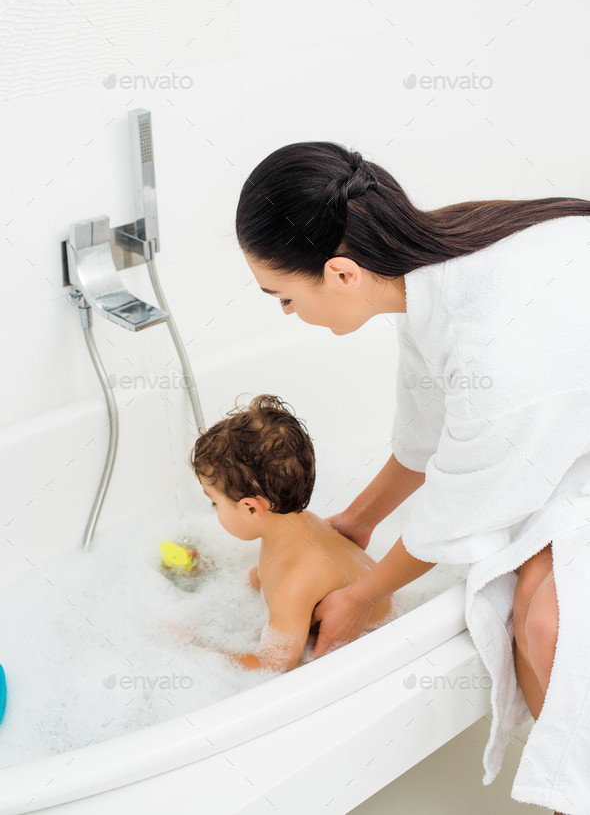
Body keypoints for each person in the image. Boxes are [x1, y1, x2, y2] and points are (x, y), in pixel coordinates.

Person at [234, 140, 590, 815]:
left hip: (563, 416)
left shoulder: (500, 355)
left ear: (341, 274)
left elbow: (460, 513)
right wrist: (359, 521)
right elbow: (429, 434)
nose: (288, 315)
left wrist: (363, 595)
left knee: (545, 622)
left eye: (283, 299)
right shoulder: (430, 266)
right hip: (570, 406)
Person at [187, 394, 393, 672]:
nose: (214, 509)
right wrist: (215, 572)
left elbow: (273, 664)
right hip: (375, 597)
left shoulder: (294, 584)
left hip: (379, 639)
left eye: (215, 503)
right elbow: (267, 573)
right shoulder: (300, 523)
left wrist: (198, 649)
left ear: (251, 509)